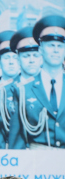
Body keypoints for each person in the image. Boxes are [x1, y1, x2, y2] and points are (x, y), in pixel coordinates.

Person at [12, 16, 65, 149]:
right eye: (51, 45)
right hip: (37, 164)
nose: (56, 50)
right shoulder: (23, 90)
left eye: (60, 46)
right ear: (40, 49)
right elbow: (16, 142)